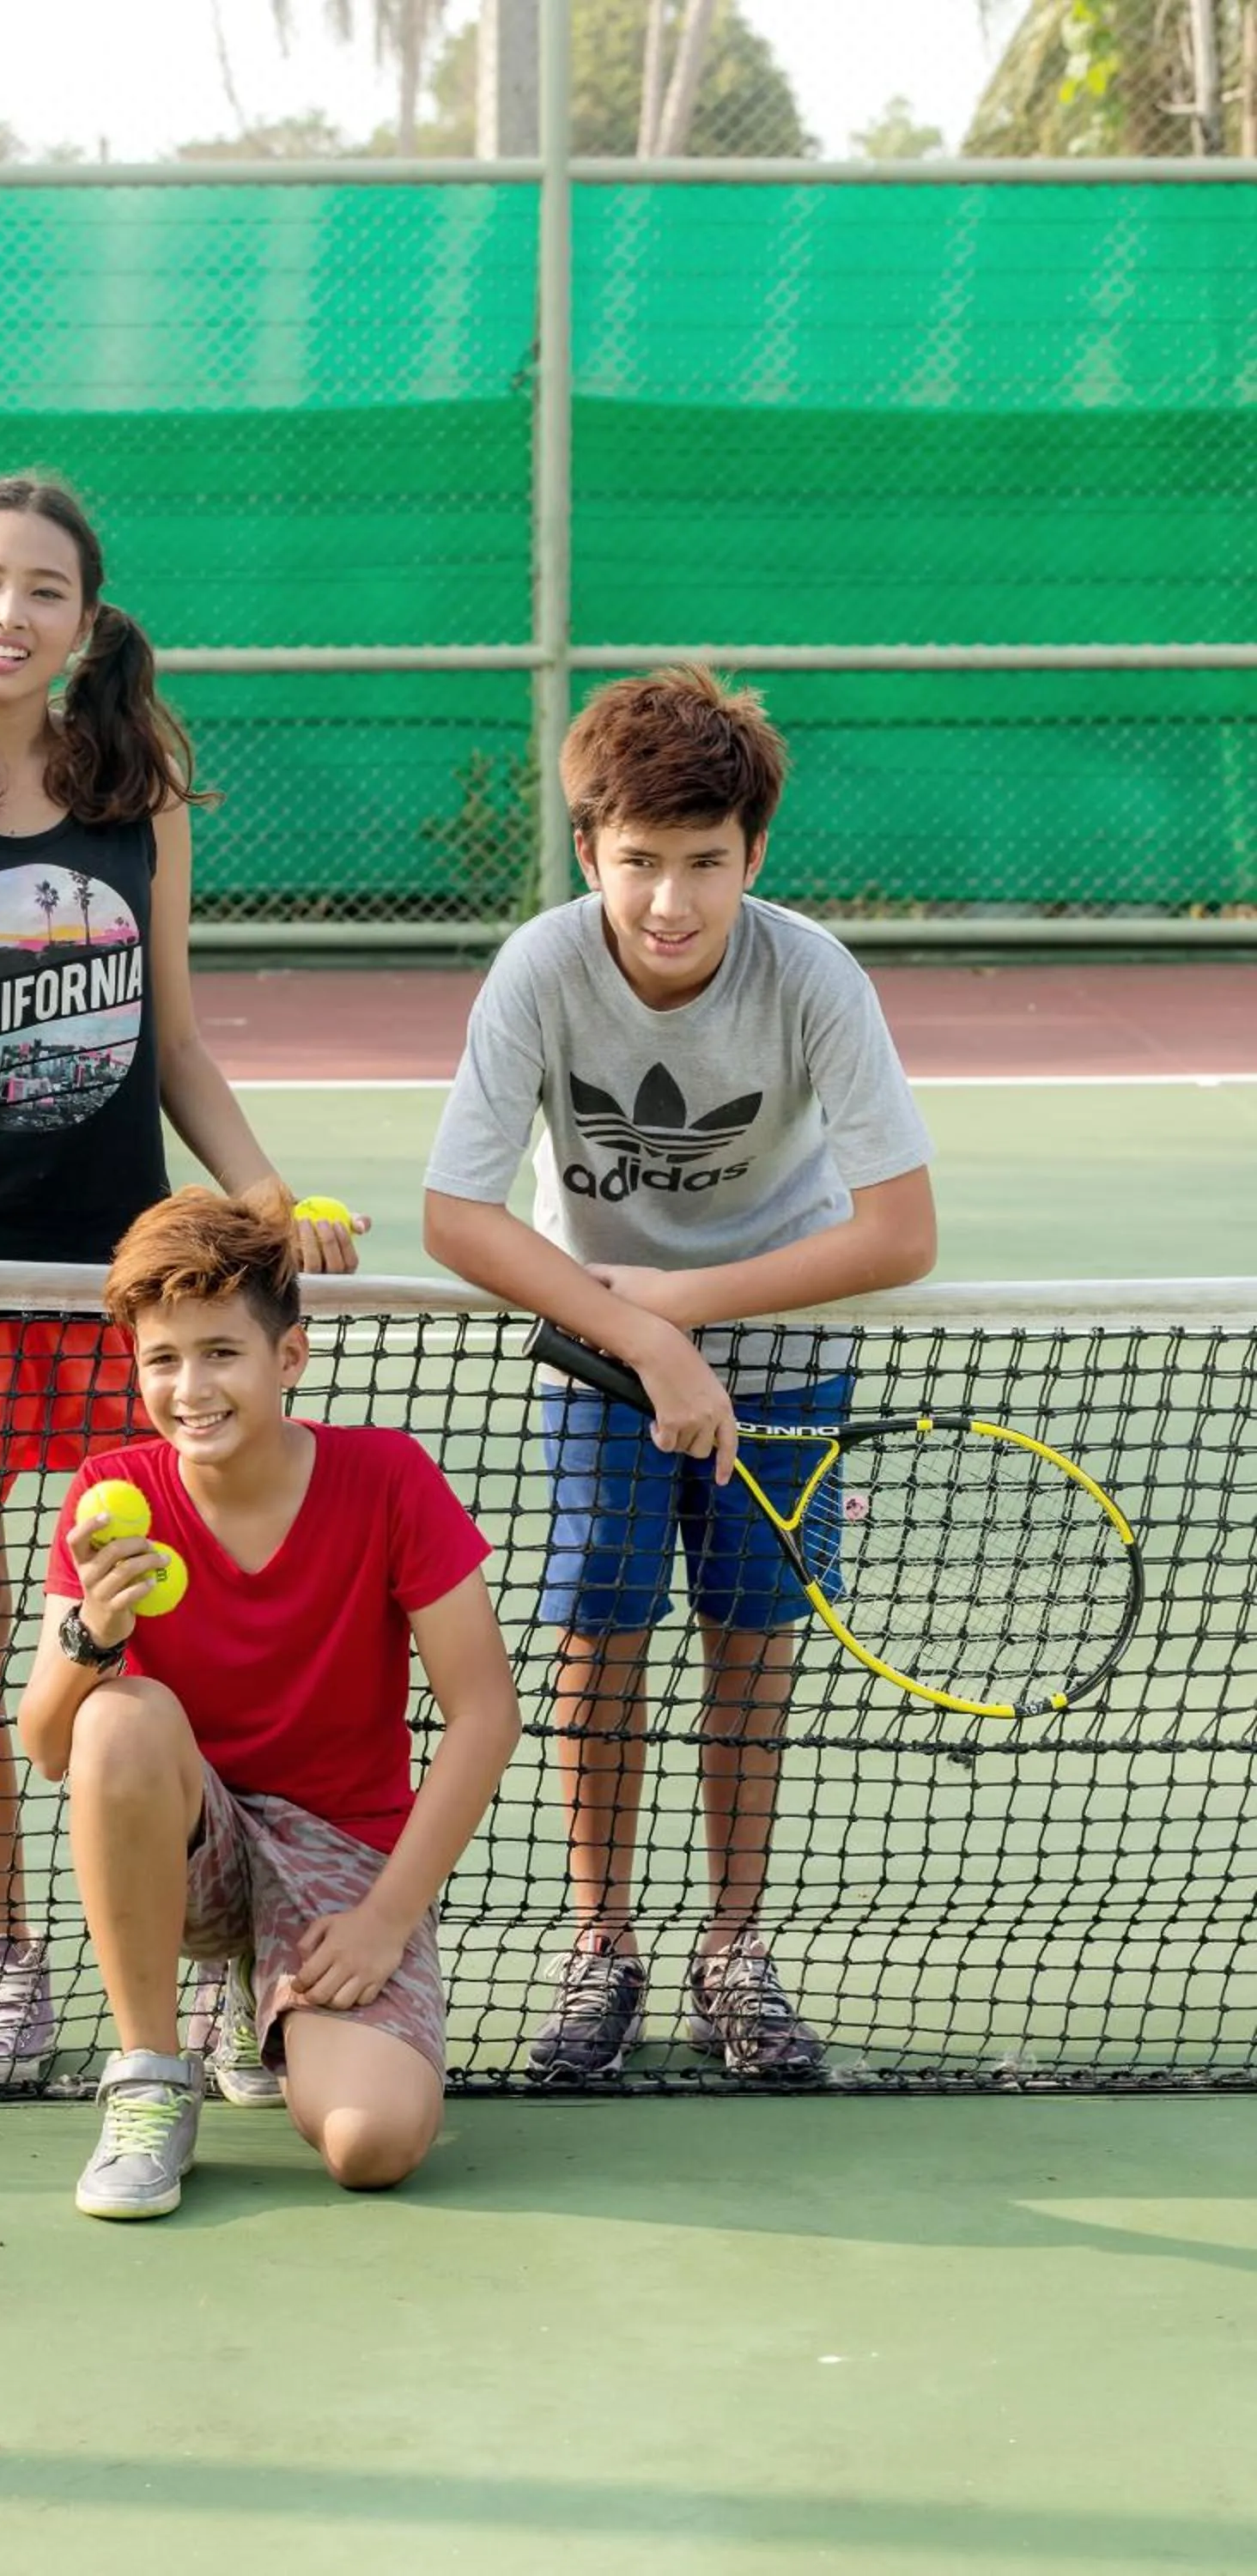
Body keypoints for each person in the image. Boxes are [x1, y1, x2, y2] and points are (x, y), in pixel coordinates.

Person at [0, 473, 361, 2093]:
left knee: (165, 1628)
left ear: (85, 620)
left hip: (121, 1294)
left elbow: (173, 1040)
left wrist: (260, 1195)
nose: (8, 613)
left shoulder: (138, 806)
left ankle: (221, 1945)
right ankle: (6, 1968)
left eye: (43, 588)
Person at [422, 665, 936, 2084]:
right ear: (588, 850)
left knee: (753, 1643)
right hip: (598, 1350)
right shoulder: (539, 969)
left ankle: (732, 1947)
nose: (670, 901)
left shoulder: (811, 973)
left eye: (706, 864)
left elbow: (900, 1232)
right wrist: (644, 1337)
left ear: (754, 855)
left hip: (779, 1348)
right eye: (638, 862)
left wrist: (692, 1310)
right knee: (601, 1634)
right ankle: (603, 1946)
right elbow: (453, 1216)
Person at [18, 1188, 520, 2220]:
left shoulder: (388, 1478)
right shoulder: (110, 1492)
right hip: (194, 1847)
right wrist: (90, 1641)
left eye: (220, 1353)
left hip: (344, 1860)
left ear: (287, 1359)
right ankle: (153, 2074)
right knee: (119, 1715)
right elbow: (49, 1745)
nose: (189, 1388)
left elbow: (483, 1714)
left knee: (371, 2144)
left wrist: (386, 1919)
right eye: (162, 1360)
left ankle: (261, 2001)